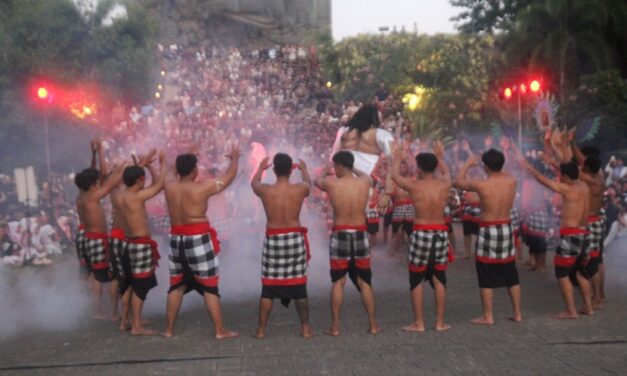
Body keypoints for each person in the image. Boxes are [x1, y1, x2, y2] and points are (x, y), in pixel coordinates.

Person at [162, 145, 240, 339]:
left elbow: (171, 171)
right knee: (209, 286)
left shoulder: (169, 185)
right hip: (197, 237)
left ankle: (169, 330)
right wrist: (235, 159)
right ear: (194, 170)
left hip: (176, 238)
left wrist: (187, 155)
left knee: (176, 285)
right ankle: (219, 331)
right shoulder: (202, 187)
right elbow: (228, 179)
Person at [314, 151, 380, 336]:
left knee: (338, 281)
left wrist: (326, 171)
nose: (334, 170)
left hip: (340, 232)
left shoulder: (332, 183)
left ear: (341, 166)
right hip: (360, 232)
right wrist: (351, 168)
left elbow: (317, 181)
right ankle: (373, 325)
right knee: (364, 280)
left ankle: (335, 327)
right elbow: (366, 175)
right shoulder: (364, 181)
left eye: (336, 166)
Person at [519, 156, 593, 318]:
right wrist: (553, 163)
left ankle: (571, 311)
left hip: (571, 234)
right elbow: (565, 170)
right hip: (585, 233)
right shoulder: (584, 186)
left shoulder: (568, 188)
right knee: (581, 271)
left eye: (561, 175)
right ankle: (588, 307)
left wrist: (529, 168)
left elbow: (543, 180)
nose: (560, 177)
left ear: (566, 177)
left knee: (562, 273)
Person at [454, 148, 522, 324]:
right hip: (506, 227)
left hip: (488, 228)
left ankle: (488, 316)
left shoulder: (481, 184)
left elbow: (458, 182)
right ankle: (517, 313)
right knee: (510, 272)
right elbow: (502, 172)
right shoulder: (511, 180)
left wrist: (468, 164)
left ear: (485, 166)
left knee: (485, 271)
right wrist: (494, 164)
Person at [251, 153, 314, 338]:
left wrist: (261, 168)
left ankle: (261, 330)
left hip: (274, 240)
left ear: (274, 169)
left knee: (268, 287)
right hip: (294, 238)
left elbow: (253, 183)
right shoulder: (300, 189)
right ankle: (305, 328)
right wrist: (304, 170)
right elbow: (308, 184)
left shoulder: (266, 190)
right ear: (291, 169)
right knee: (299, 284)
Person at [391, 141, 452, 332]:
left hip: (421, 232)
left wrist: (397, 158)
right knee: (439, 277)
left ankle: (419, 323)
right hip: (440, 233)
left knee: (417, 278)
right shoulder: (444, 184)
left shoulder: (414, 186)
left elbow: (394, 176)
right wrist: (440, 157)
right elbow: (447, 173)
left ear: (419, 168)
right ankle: (440, 323)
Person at [118, 151, 166, 335]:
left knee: (130, 284)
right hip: (140, 245)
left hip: (129, 244)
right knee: (140, 287)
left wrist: (145, 165)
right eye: (142, 180)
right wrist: (162, 164)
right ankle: (137, 326)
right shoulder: (135, 197)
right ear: (139, 180)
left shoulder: (122, 195)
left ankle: (126, 322)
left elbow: (154, 185)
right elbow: (160, 185)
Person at [75, 141, 125, 320]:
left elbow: (91, 174)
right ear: (92, 186)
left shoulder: (82, 194)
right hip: (96, 239)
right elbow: (110, 184)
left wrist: (95, 154)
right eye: (96, 182)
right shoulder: (92, 197)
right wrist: (122, 169)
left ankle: (96, 308)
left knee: (95, 273)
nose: (98, 183)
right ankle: (97, 310)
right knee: (99, 275)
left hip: (90, 237)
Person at [571, 143, 606, 308]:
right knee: (596, 261)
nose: (581, 164)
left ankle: (596, 298)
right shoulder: (599, 173)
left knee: (589, 263)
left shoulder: (589, 179)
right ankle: (598, 296)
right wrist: (571, 142)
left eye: (583, 165)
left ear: (586, 168)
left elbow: (568, 167)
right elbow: (582, 160)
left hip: (591, 223)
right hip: (596, 221)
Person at [330, 103, 394, 175]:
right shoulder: (382, 134)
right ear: (375, 118)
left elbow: (335, 152)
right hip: (367, 176)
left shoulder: (345, 131)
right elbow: (391, 158)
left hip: (344, 174)